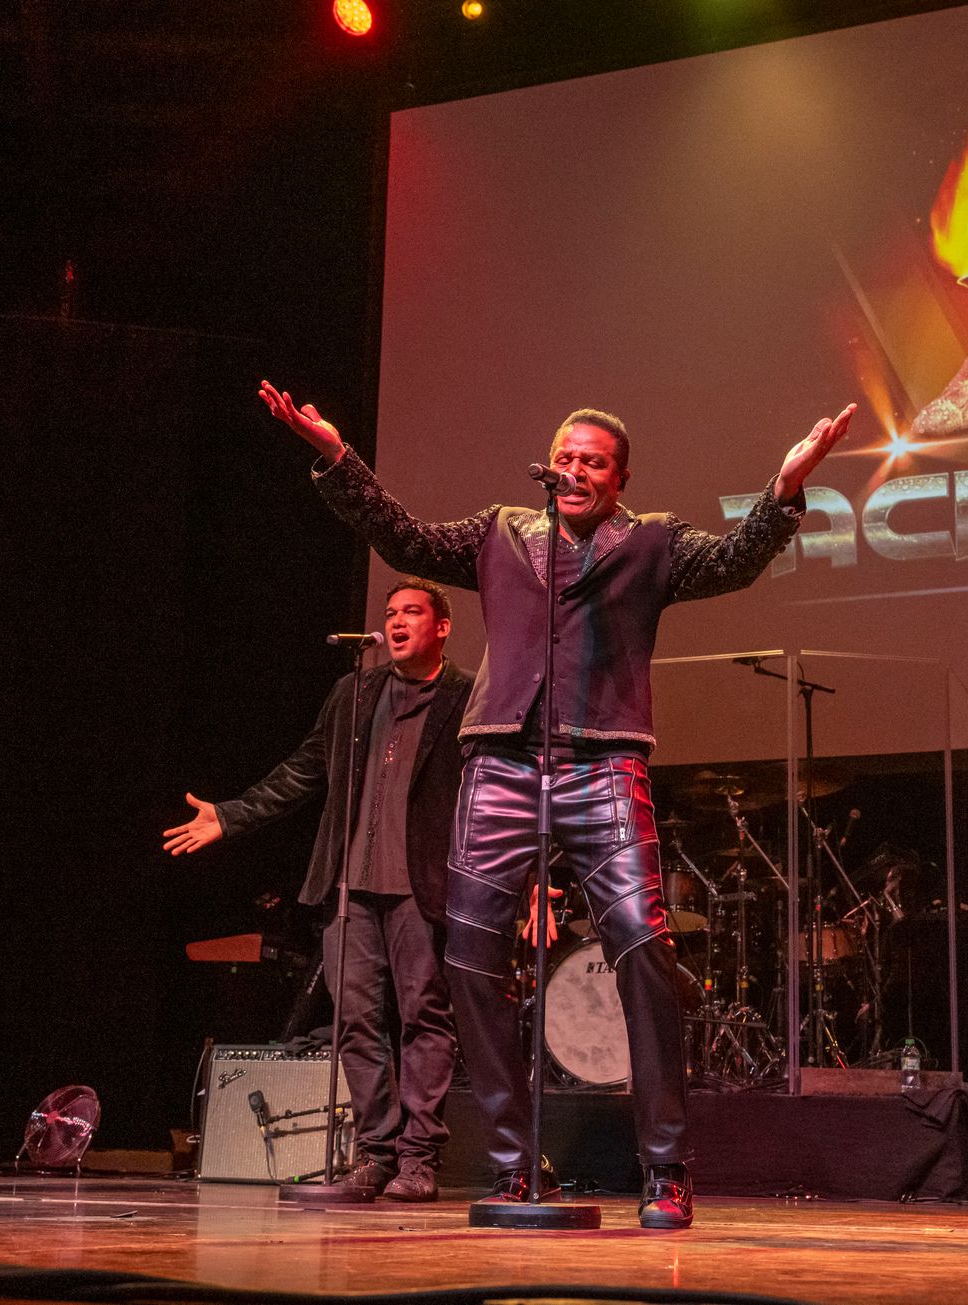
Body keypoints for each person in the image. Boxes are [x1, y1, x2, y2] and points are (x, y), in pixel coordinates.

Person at [258, 381, 853, 1229]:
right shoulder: (501, 530)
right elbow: (403, 533)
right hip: (500, 761)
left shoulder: (652, 541)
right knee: (467, 958)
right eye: (567, 457)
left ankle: (665, 1167)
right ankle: (511, 1163)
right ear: (551, 465)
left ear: (620, 478)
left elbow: (733, 561)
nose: (576, 470)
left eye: (594, 462)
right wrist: (335, 455)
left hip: (602, 764)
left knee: (644, 950)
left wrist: (785, 489)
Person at [164, 580, 472, 1201]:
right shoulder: (354, 693)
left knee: (423, 1017)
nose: (397, 622)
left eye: (412, 612)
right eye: (390, 614)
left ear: (442, 627)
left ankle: (418, 1159)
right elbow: (304, 769)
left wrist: (531, 879)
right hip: (346, 884)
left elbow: (502, 792)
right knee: (354, 1020)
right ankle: (378, 1153)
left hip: (423, 886)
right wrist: (232, 814)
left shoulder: (467, 696)